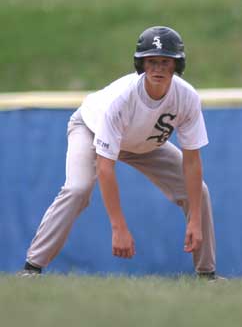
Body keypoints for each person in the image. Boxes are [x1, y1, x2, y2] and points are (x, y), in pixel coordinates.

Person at [20, 26, 220, 280]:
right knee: (78, 189)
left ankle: (207, 275)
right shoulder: (122, 99)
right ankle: (32, 268)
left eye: (165, 61)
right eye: (151, 61)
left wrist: (195, 222)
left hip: (144, 144)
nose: (158, 68)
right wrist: (119, 228)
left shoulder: (187, 97)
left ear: (176, 65)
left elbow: (192, 162)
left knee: (198, 192)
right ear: (141, 64)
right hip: (91, 129)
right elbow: (105, 167)